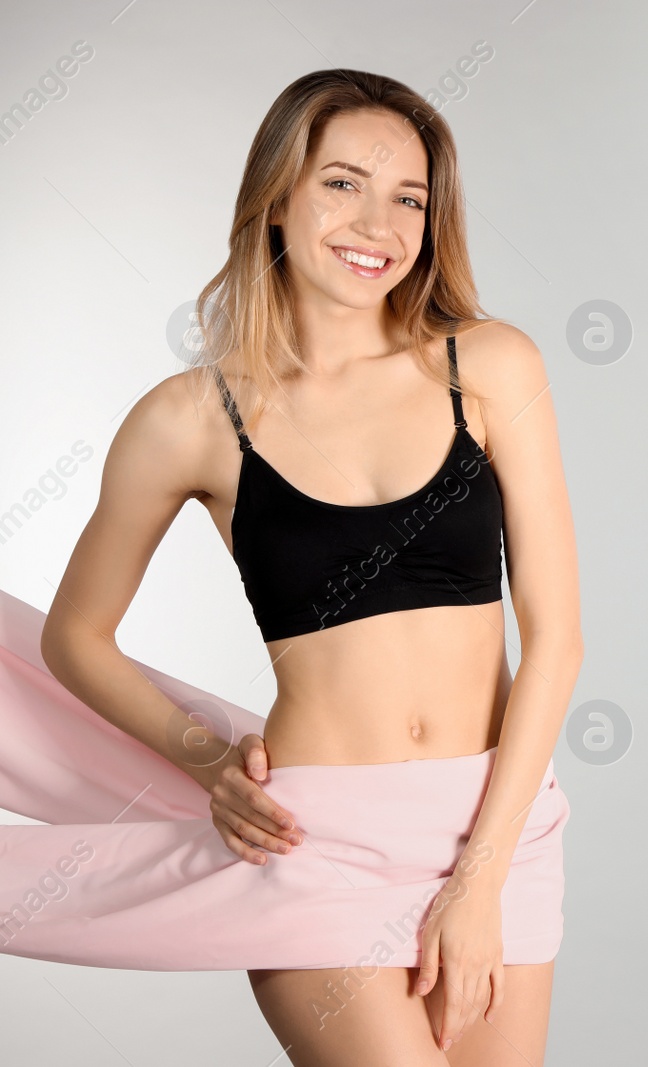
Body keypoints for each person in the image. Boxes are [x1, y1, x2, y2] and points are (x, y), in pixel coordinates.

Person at [14, 68, 582, 1065]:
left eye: (410, 197)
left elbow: (557, 640)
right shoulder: (188, 419)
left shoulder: (489, 366)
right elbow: (73, 637)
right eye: (343, 184)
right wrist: (202, 757)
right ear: (276, 197)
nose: (380, 223)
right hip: (316, 844)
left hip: (498, 827)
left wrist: (480, 877)